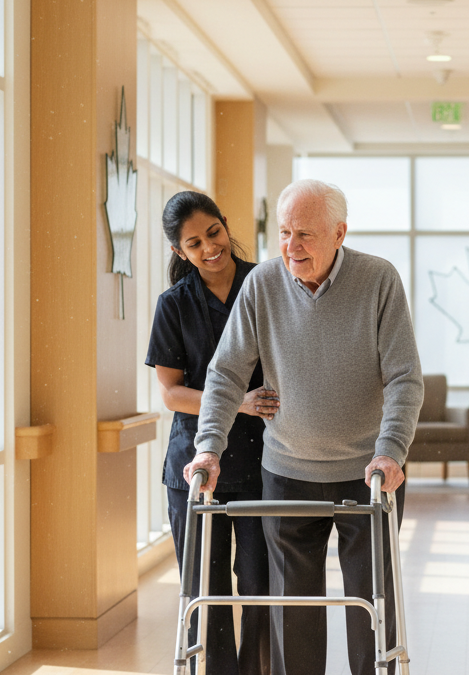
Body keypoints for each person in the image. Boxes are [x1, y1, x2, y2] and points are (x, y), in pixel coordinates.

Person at [185, 178, 423, 675]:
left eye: (305, 235)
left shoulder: (378, 279)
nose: (291, 246)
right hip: (287, 472)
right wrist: (209, 447)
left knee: (372, 607)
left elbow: (404, 377)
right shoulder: (262, 284)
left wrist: (391, 450)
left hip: (368, 475)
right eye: (284, 232)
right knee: (293, 613)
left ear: (339, 233)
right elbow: (226, 373)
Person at [145, 191, 276, 675]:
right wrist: (237, 403)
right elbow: (171, 393)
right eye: (194, 243)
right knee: (207, 589)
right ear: (179, 252)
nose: (209, 248)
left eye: (213, 233)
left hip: (264, 460)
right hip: (196, 466)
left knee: (261, 585)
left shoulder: (267, 285)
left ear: (225, 223)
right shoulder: (174, 305)